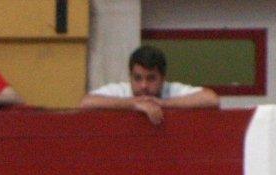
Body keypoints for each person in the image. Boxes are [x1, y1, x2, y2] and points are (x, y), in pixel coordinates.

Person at [79, 45, 220, 125]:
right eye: (138, 78)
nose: (143, 86)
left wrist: (161, 103)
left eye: (151, 78)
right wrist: (134, 104)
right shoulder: (122, 90)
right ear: (130, 76)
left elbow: (211, 99)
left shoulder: (171, 90)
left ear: (163, 78)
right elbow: (86, 103)